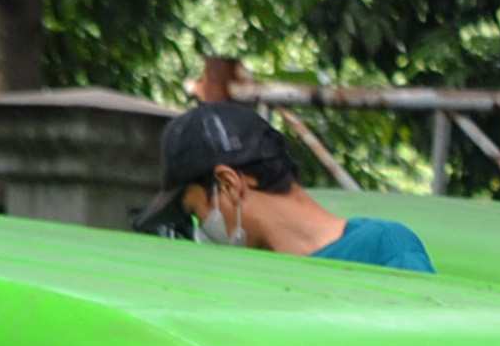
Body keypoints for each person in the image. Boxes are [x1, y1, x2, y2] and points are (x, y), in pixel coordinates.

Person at [134, 102, 432, 270]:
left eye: (195, 212)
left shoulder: (383, 250)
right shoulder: (253, 276)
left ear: (229, 184)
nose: (200, 230)